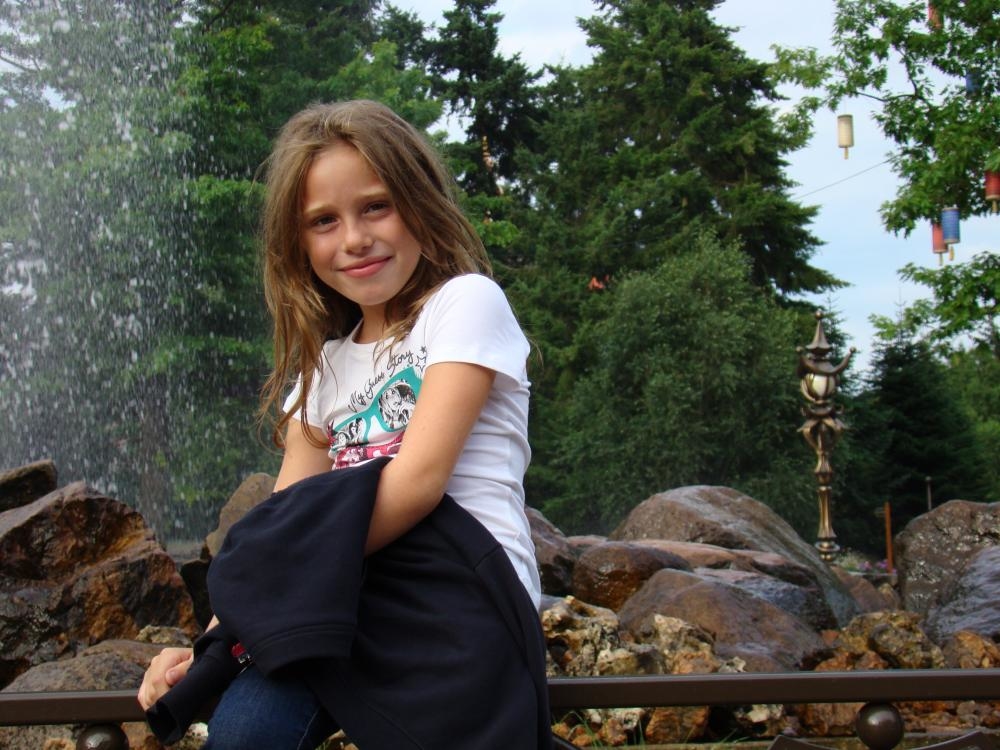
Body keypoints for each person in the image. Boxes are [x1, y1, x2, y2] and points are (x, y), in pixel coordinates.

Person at [137, 99, 545, 749]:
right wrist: (215, 641)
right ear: (298, 243)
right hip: (342, 594)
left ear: (420, 203)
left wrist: (283, 577)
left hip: (456, 589)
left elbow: (418, 482)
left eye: (376, 206)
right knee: (244, 734)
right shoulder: (321, 369)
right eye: (323, 221)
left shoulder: (464, 304)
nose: (353, 238)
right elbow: (287, 522)